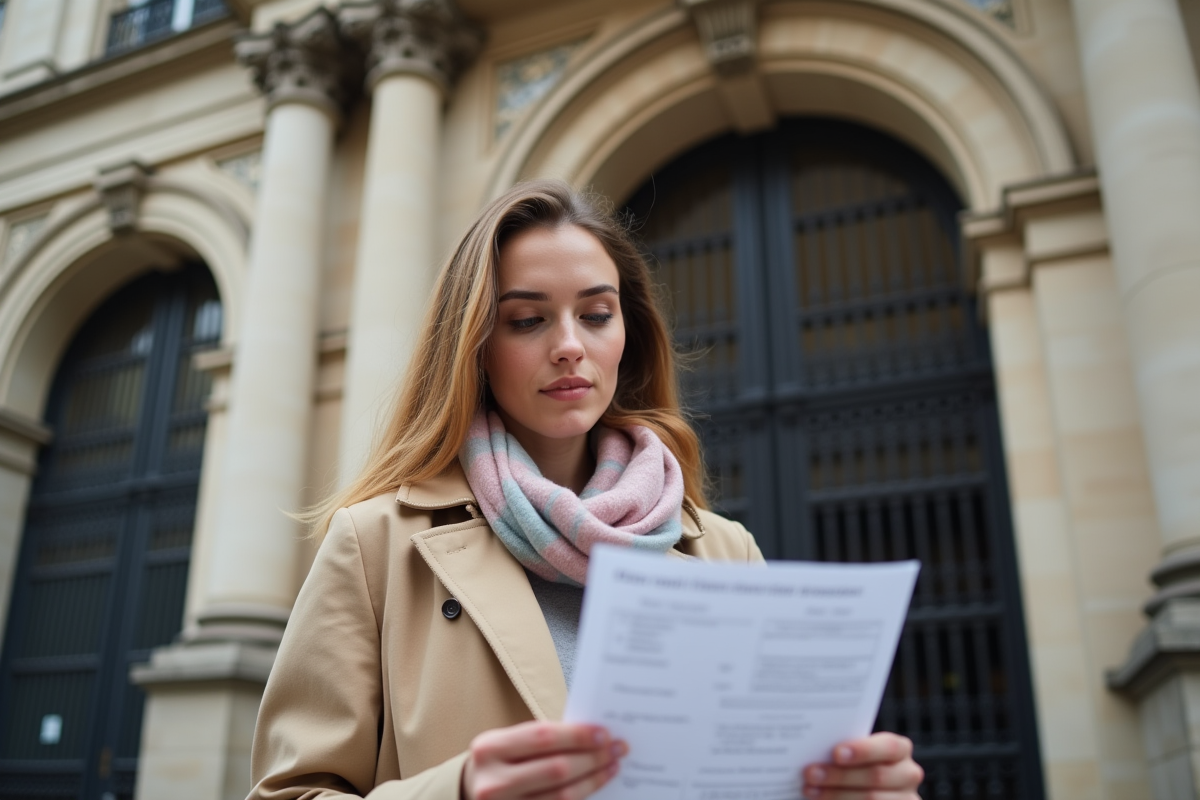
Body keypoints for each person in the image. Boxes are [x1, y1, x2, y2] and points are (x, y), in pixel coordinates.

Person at [248, 180, 925, 800]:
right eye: (527, 320)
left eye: (596, 314)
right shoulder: (375, 545)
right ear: (475, 342)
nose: (570, 345)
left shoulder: (724, 551)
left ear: (627, 335)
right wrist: (456, 791)